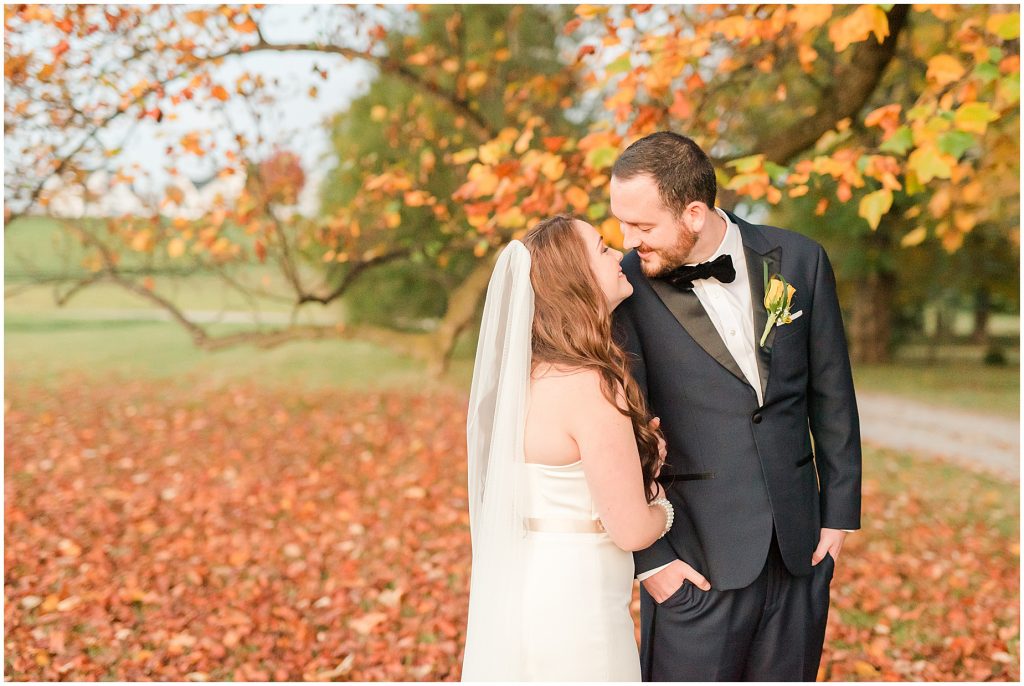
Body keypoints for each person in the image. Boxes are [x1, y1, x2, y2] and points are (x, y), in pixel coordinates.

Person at [609, 131, 862, 681]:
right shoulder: (622, 287)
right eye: (622, 223)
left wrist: (838, 519)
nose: (627, 240)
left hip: (801, 553)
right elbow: (620, 430)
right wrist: (651, 563)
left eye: (642, 226)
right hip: (694, 561)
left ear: (694, 213)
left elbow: (832, 394)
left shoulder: (799, 259)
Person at [462, 215, 673, 681]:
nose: (619, 255)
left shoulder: (523, 380)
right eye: (602, 249)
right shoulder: (591, 387)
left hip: (524, 588)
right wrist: (659, 497)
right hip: (577, 602)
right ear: (574, 280)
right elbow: (633, 531)